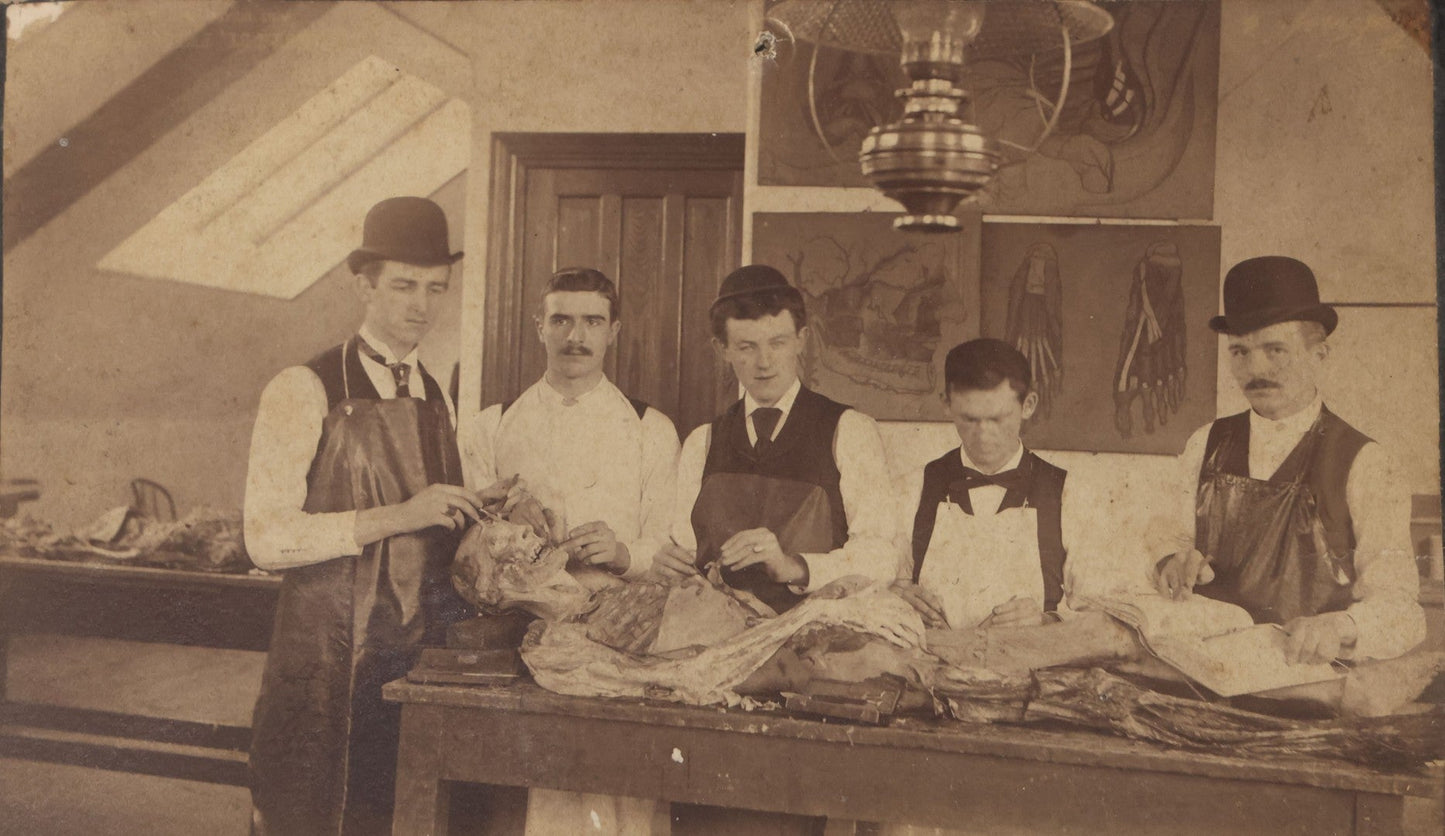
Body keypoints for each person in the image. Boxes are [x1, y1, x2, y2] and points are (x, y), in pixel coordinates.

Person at [244, 197, 516, 835]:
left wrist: (478, 509)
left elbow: (433, 522)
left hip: (415, 654)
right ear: (364, 285)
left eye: (435, 288)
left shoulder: (436, 394)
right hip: (328, 656)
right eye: (403, 285)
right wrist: (402, 514)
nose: (422, 305)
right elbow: (264, 539)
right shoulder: (303, 387)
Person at [1152, 256, 1425, 664]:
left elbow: (1402, 612)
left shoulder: (1366, 462)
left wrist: (1341, 627)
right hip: (1207, 666)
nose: (1255, 369)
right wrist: (1170, 561)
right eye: (1240, 352)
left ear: (1320, 355)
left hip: (1305, 677)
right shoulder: (1204, 442)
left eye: (1275, 350)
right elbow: (1167, 536)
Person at [656, 265, 897, 612]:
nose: (764, 362)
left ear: (801, 339)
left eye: (777, 343)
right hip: (718, 628)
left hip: (818, 627)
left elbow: (882, 556)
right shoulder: (702, 442)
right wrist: (670, 563)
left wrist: (792, 566)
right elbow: (686, 550)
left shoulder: (849, 431)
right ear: (722, 349)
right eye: (747, 347)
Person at [461, 267, 678, 582]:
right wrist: (506, 520)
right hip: (516, 607)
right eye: (561, 321)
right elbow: (468, 543)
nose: (575, 337)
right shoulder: (490, 426)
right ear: (540, 328)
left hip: (619, 603)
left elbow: (665, 543)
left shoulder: (652, 429)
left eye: (593, 322)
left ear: (613, 331)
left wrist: (621, 554)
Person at [894, 338, 1089, 630]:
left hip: (1030, 657)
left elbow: (1098, 611)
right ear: (946, 404)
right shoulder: (912, 488)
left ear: (1028, 405)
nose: (984, 435)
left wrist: (1046, 621)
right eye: (970, 419)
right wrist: (897, 596)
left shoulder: (1068, 493)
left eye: (998, 419)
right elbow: (876, 586)